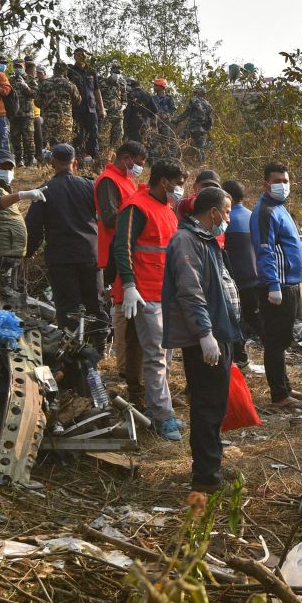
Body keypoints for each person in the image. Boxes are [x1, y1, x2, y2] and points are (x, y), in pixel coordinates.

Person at [163, 186, 242, 492]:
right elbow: (190, 291)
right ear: (212, 213)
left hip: (219, 332)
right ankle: (207, 477)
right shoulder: (186, 241)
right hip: (204, 339)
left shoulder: (206, 240)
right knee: (208, 405)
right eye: (226, 211)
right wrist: (205, 333)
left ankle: (213, 465)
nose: (228, 217)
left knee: (215, 404)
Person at [111, 158, 188, 441]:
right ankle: (162, 416)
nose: (180, 189)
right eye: (178, 184)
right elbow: (123, 246)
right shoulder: (136, 206)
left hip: (165, 294)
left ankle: (161, 408)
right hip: (145, 294)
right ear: (164, 181)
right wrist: (129, 285)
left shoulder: (167, 209)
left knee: (165, 356)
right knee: (155, 357)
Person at [24, 144, 108, 346]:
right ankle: (100, 343)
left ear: (52, 163)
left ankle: (71, 350)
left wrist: (26, 255)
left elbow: (33, 229)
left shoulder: (44, 191)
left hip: (61, 258)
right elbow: (105, 218)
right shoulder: (90, 186)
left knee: (67, 306)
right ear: (75, 163)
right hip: (90, 254)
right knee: (95, 302)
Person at [248, 162, 302, 407]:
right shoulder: (265, 211)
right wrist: (272, 284)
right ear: (266, 184)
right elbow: (265, 250)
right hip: (277, 286)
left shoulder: (280, 208)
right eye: (277, 181)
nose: (283, 185)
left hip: (288, 284)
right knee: (275, 341)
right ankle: (279, 395)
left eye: (285, 181)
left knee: (282, 340)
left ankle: (285, 387)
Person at [94, 142, 148, 403]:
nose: (140, 168)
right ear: (125, 158)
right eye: (138, 162)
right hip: (117, 253)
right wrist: (136, 217)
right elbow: (108, 216)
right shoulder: (108, 181)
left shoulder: (128, 180)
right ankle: (126, 368)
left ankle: (133, 368)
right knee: (122, 309)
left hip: (130, 252)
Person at [0, 148, 45, 301]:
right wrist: (21, 195)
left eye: (9, 167)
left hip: (11, 254)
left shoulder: (2, 190)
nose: (6, 170)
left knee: (13, 301)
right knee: (0, 300)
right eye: (2, 167)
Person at [222, 178, 259, 363]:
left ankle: (239, 356)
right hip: (255, 278)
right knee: (251, 319)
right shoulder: (251, 215)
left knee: (235, 320)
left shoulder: (227, 220)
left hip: (236, 280)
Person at [66, 47, 105, 162]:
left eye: (82, 55)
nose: (80, 57)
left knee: (93, 135)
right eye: (77, 55)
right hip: (76, 109)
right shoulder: (70, 71)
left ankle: (93, 159)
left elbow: (97, 90)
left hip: (91, 109)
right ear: (74, 56)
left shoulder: (91, 71)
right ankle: (78, 160)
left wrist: (102, 108)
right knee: (78, 136)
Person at [38, 62, 81, 149]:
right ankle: (64, 162)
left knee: (50, 145)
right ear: (64, 72)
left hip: (49, 119)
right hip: (65, 120)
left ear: (54, 71)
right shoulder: (70, 84)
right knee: (65, 145)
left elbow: (37, 102)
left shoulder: (44, 83)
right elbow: (78, 101)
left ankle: (51, 162)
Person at [8, 58, 36, 167]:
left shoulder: (30, 79)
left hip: (27, 114)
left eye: (20, 66)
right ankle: (19, 160)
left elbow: (35, 94)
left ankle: (30, 161)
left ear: (24, 66)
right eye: (16, 66)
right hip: (15, 114)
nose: (17, 68)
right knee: (15, 138)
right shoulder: (10, 80)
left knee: (28, 138)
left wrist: (26, 87)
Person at [175, 86, 213, 162]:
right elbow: (210, 120)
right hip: (202, 130)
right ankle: (201, 165)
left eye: (195, 93)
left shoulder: (194, 100)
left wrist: (176, 120)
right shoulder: (208, 104)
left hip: (191, 128)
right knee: (201, 149)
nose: (194, 94)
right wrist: (206, 129)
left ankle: (175, 160)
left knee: (179, 142)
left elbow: (186, 113)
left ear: (197, 93)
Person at [98, 62, 127, 156]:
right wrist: (100, 108)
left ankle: (116, 158)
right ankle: (103, 159)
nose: (117, 75)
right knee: (104, 138)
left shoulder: (122, 84)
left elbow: (124, 99)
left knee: (118, 138)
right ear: (111, 72)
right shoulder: (103, 83)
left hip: (118, 115)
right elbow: (97, 97)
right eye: (115, 72)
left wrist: (123, 106)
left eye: (119, 73)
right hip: (106, 114)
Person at [124, 78, 157, 147]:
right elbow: (155, 110)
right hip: (145, 123)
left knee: (133, 145)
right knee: (144, 144)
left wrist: (125, 122)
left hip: (133, 124)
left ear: (132, 86)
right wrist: (147, 116)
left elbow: (128, 110)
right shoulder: (147, 95)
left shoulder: (130, 94)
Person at [32, 64, 46, 155]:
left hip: (48, 113)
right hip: (36, 113)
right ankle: (39, 154)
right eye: (37, 73)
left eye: (40, 73)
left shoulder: (48, 84)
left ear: (45, 73)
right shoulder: (34, 83)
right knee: (37, 136)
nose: (38, 75)